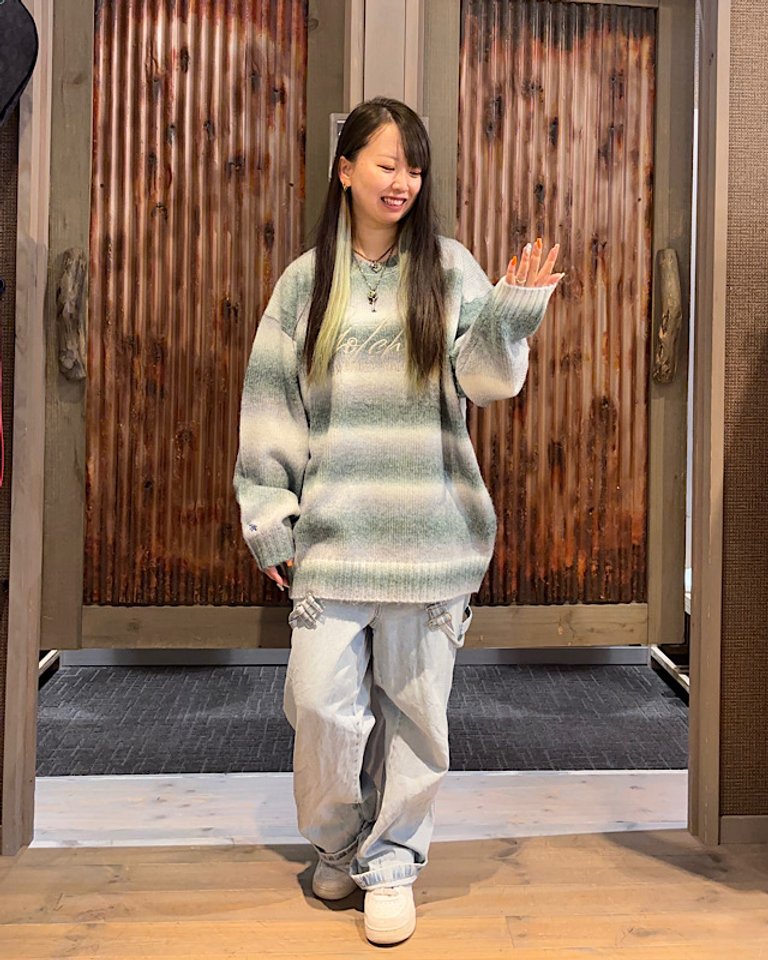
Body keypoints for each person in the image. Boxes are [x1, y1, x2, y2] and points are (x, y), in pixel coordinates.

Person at [233, 96, 564, 946]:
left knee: (416, 718)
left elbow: (489, 381)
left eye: (414, 168)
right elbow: (272, 405)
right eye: (387, 164)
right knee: (318, 706)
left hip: (431, 539)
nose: (402, 182)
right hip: (335, 542)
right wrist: (269, 515)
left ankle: (391, 865)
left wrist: (511, 316)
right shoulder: (305, 283)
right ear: (345, 170)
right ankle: (339, 843)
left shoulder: (449, 268)